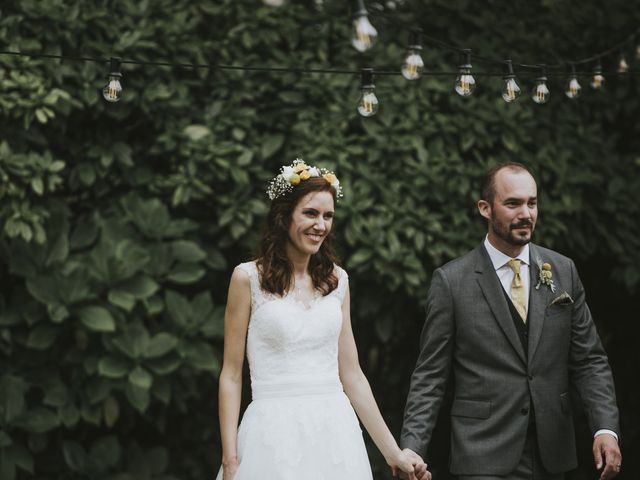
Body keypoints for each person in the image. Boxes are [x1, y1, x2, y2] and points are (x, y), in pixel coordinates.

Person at [400, 162, 622, 480]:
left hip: (552, 453)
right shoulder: (452, 282)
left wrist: (605, 429)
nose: (526, 213)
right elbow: (430, 376)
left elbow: (589, 361)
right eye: (513, 203)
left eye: (532, 203)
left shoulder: (563, 271)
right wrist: (412, 447)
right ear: (485, 208)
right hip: (483, 453)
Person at [216, 159, 429, 480]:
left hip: (335, 434)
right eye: (311, 213)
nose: (321, 225)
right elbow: (231, 375)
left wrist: (393, 453)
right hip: (272, 436)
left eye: (328, 216)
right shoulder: (247, 278)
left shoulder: (337, 280)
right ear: (284, 215)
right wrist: (231, 459)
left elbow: (352, 375)